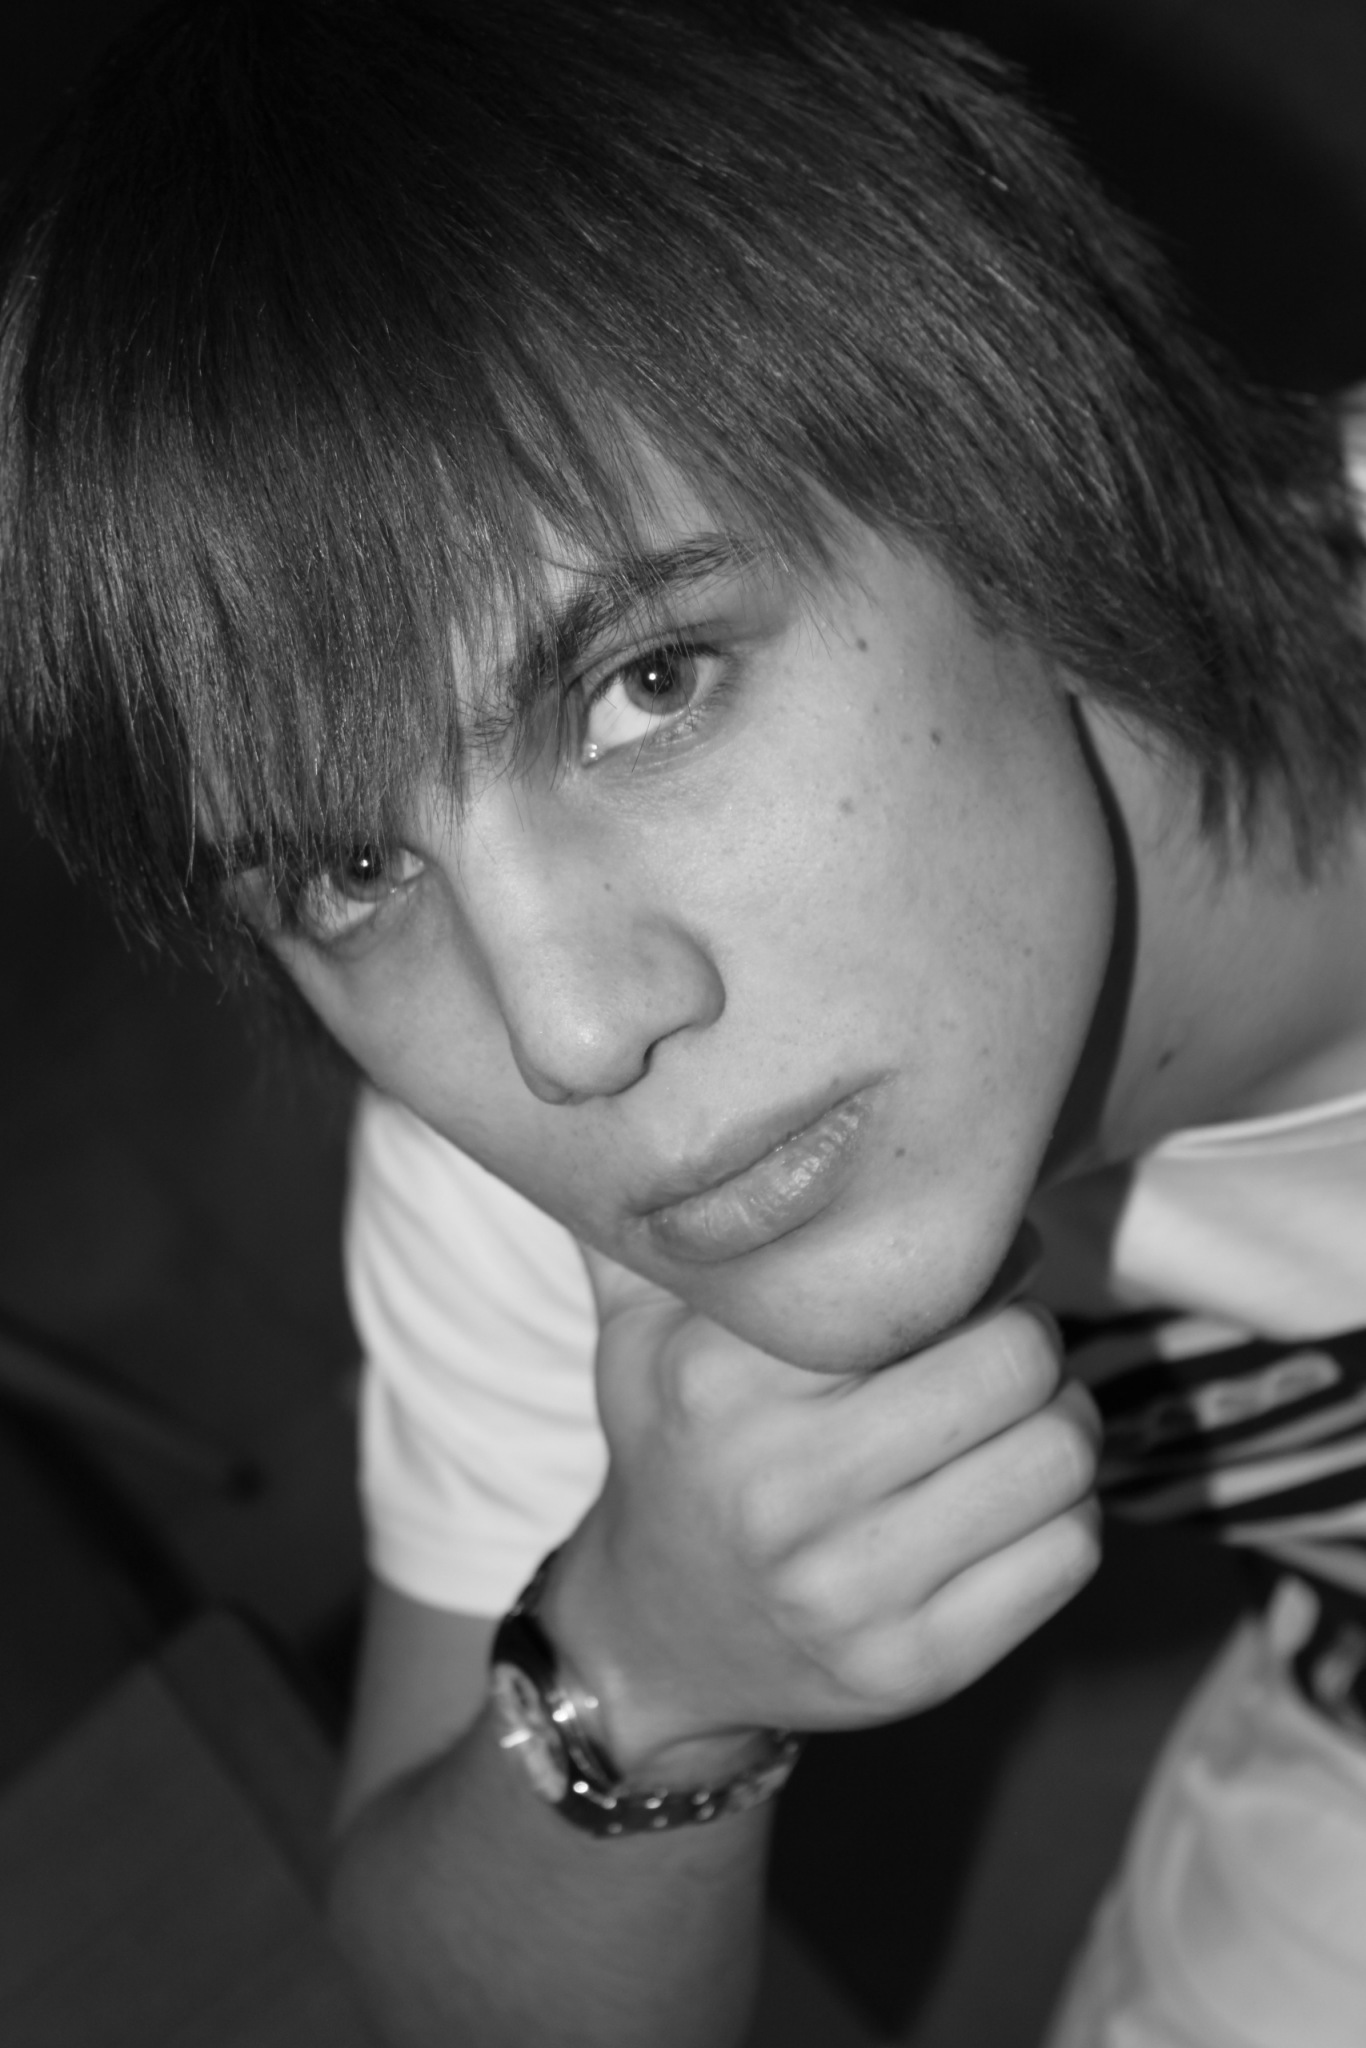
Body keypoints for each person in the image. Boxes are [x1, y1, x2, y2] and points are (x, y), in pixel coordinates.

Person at [3, 1, 1366, 2041]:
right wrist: (645, 1681)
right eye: (351, 872)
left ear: (1019, 462)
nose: (562, 1033)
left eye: (645, 683)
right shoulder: (538, 1188)